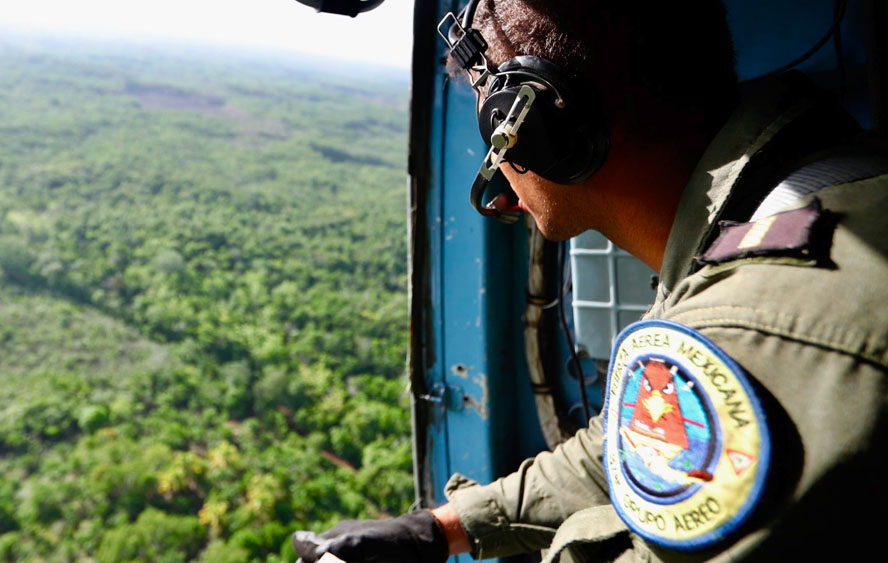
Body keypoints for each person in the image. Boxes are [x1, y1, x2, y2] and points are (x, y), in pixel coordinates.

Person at [293, 1, 888, 561]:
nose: (497, 177)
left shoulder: (751, 330)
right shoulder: (815, 192)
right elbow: (654, 444)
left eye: (492, 135)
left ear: (534, 126)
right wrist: (442, 528)